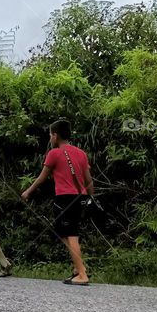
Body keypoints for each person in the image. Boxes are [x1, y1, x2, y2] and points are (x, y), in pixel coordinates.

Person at [21, 119, 94, 285]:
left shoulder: (54, 153)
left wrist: (28, 192)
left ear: (55, 135)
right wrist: (91, 198)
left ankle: (82, 275)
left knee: (70, 234)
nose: (50, 138)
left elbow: (41, 178)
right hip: (80, 198)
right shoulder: (81, 153)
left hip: (64, 198)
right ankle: (78, 269)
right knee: (65, 233)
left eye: (50, 135)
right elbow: (89, 181)